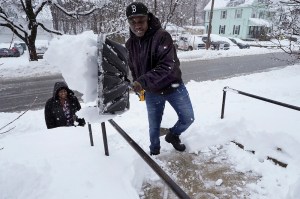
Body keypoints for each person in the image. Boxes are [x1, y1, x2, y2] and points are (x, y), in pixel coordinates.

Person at [125, 2, 194, 155]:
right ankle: (154, 153)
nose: (137, 26)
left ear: (148, 18)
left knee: (188, 118)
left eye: (141, 21)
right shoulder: (130, 44)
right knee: (154, 127)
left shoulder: (162, 36)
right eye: (133, 22)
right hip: (151, 91)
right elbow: (134, 68)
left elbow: (166, 66)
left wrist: (141, 81)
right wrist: (139, 87)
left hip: (173, 87)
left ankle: (173, 135)